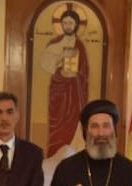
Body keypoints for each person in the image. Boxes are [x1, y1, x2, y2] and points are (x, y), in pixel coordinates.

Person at [40, 9, 89, 157]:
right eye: (65, 23)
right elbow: (46, 64)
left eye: (70, 23)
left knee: (73, 124)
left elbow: (85, 72)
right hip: (58, 89)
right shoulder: (54, 43)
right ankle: (54, 156)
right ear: (61, 24)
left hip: (74, 91)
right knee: (57, 127)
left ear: (76, 25)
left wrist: (76, 75)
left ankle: (74, 156)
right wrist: (62, 57)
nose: (68, 26)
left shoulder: (79, 45)